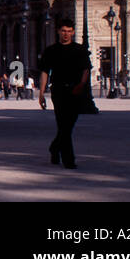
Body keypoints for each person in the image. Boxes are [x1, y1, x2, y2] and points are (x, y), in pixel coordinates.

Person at [37, 17, 92, 169]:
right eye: (63, 31)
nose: (66, 34)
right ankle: (69, 160)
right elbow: (44, 73)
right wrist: (41, 93)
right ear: (58, 32)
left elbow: (86, 69)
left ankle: (55, 147)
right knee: (63, 123)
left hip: (75, 90)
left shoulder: (80, 50)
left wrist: (81, 84)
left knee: (68, 125)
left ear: (73, 32)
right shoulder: (51, 51)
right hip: (59, 90)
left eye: (69, 31)